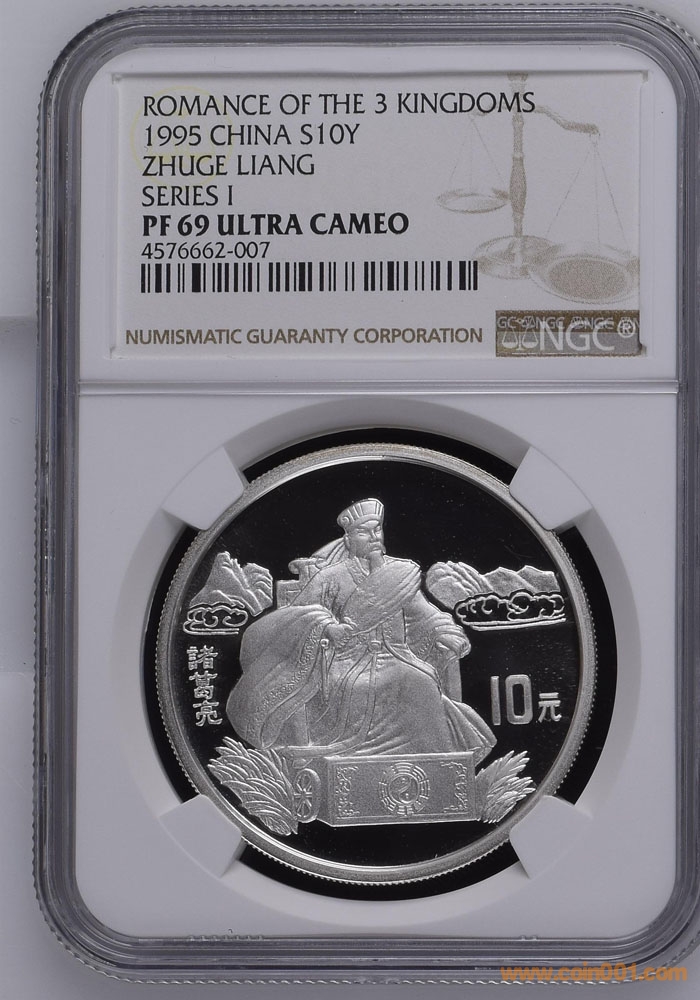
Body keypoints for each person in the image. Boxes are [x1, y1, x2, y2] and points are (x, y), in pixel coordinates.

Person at [227, 499, 495, 762]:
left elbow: (426, 614)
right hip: (345, 664)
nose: (374, 537)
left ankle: (438, 764)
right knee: (391, 684)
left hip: (397, 657)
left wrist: (445, 631)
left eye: (377, 529)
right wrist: (328, 627)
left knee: (421, 682)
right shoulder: (330, 577)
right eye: (364, 532)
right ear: (348, 539)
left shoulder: (399, 575)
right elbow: (297, 616)